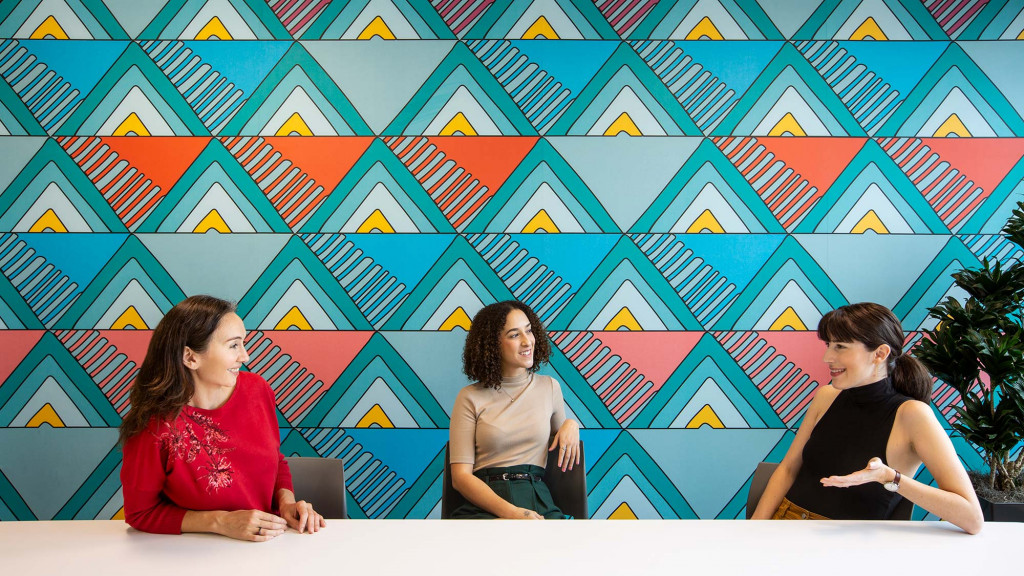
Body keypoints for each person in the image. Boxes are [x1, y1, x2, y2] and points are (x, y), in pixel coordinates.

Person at [751, 302, 984, 534]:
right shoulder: (826, 396)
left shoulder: (913, 415)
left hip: (849, 544)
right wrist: (753, 531)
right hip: (782, 524)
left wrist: (889, 477)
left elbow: (972, 518)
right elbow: (788, 469)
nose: (827, 357)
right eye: (828, 344)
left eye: (840, 346)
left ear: (880, 353)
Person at [119, 295, 325, 540]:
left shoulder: (258, 390)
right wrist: (220, 522)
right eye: (233, 345)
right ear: (190, 357)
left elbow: (275, 460)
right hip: (193, 555)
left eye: (243, 344)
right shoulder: (154, 426)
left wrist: (287, 503)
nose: (245, 356)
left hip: (270, 544)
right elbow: (140, 513)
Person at [448, 301, 580, 519]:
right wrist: (511, 513)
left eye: (528, 330)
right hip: (485, 503)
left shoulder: (550, 387)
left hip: (536, 496)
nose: (527, 341)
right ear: (492, 344)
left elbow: (559, 441)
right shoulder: (469, 397)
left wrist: (571, 424)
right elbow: (460, 477)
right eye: (514, 335)